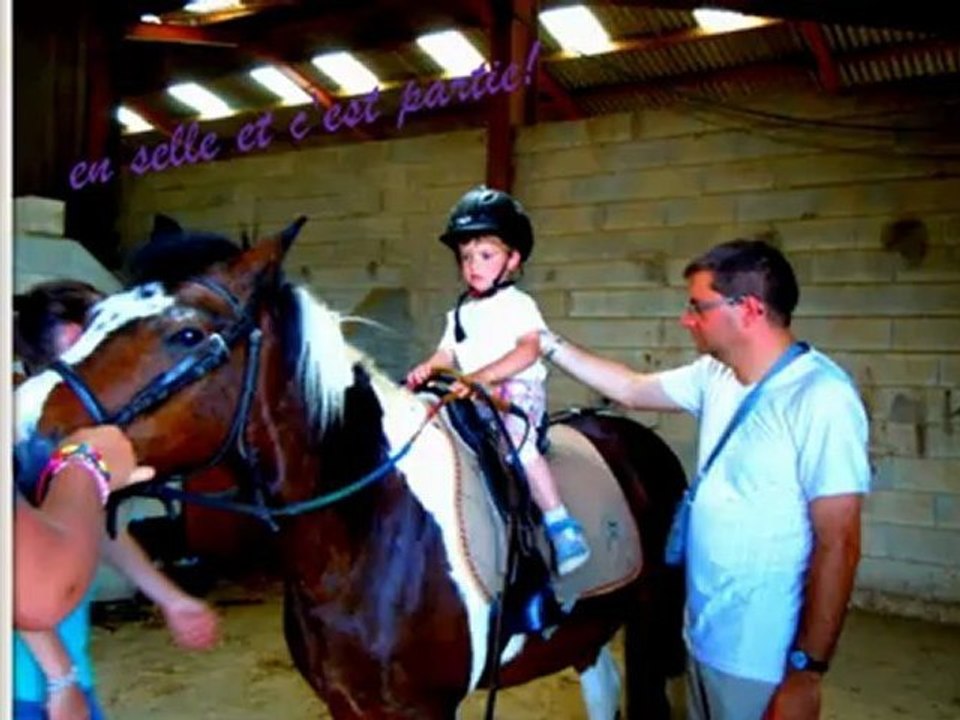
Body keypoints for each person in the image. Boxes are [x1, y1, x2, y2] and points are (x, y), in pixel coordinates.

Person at [538, 239, 870, 720]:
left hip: (761, 657)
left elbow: (839, 543)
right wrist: (545, 342)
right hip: (703, 636)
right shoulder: (715, 374)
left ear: (750, 309)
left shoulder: (822, 398)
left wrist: (806, 672)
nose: (686, 318)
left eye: (698, 306)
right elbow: (631, 388)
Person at [13, 279, 221, 720]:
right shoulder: (26, 436)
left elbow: (90, 528)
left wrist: (169, 598)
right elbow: (14, 570)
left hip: (63, 676)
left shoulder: (65, 436)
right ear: (73, 340)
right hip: (27, 688)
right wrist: (59, 678)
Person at [406, 185, 591, 576]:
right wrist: (428, 368)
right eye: (466, 257)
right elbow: (448, 353)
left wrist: (481, 377)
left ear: (512, 260)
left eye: (486, 255)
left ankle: (561, 525)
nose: (473, 265)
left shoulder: (518, 305)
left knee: (519, 449)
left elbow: (528, 350)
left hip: (514, 393)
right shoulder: (460, 311)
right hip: (471, 395)